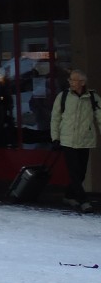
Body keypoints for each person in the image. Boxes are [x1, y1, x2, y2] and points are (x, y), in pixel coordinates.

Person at [50, 69, 101, 212]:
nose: (71, 82)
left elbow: (100, 117)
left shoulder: (93, 97)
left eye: (74, 80)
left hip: (85, 139)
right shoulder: (63, 96)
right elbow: (55, 118)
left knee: (81, 173)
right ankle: (84, 201)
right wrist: (55, 138)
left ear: (82, 82)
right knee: (74, 171)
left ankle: (68, 196)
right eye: (70, 79)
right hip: (67, 140)